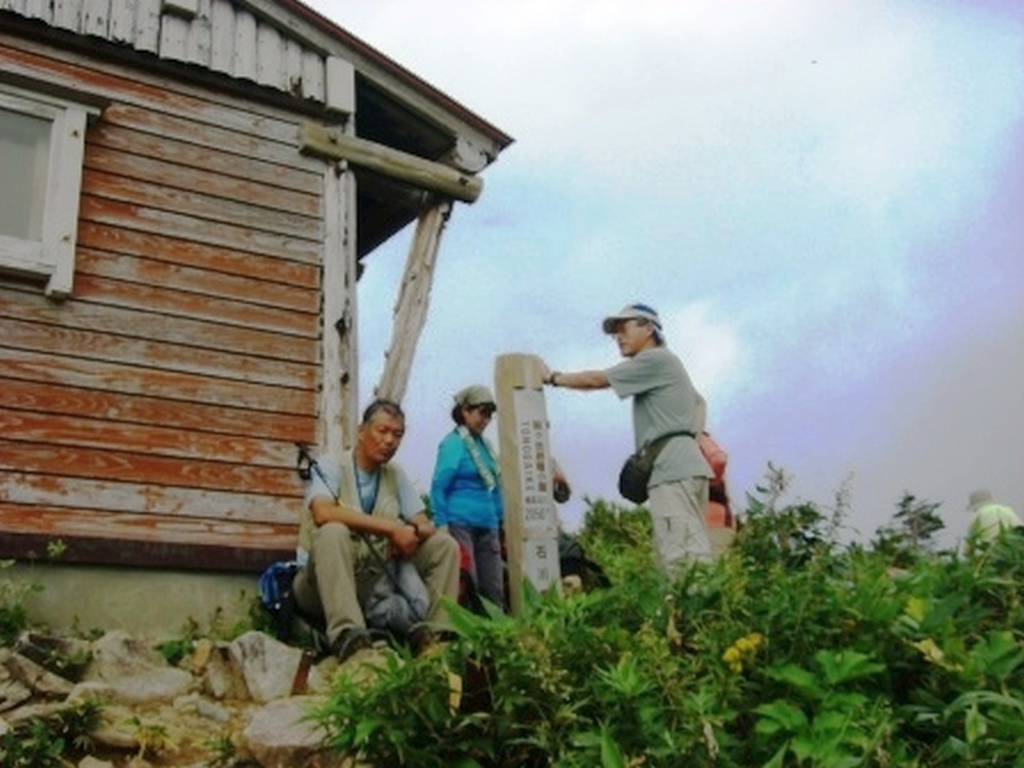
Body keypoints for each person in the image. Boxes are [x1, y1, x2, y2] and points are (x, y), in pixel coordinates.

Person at [541, 302, 714, 574]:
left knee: (680, 559)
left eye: (624, 328)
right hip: (685, 466)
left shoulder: (655, 359)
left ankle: (696, 616)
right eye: (615, 332)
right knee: (690, 549)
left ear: (649, 328)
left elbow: (598, 380)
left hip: (671, 471)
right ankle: (704, 614)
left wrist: (552, 377)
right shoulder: (669, 365)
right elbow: (699, 403)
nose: (618, 337)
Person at [292, 399, 461, 661]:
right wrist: (392, 528)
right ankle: (349, 637)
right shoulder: (332, 465)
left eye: (397, 434)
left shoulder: (394, 474)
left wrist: (409, 533)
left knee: (445, 545)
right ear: (362, 431)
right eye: (382, 431)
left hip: (371, 582)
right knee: (333, 531)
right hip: (318, 585)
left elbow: (424, 523)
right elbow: (323, 512)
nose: (390, 441)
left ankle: (435, 638)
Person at [430, 385, 506, 609]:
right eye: (482, 412)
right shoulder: (453, 443)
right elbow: (438, 485)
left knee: (493, 586)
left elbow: (494, 485)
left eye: (490, 415)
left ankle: (496, 636)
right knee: (467, 582)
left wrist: (500, 520)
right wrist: (441, 524)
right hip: (459, 523)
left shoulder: (486, 447)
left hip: (487, 523)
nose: (486, 419)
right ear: (465, 411)